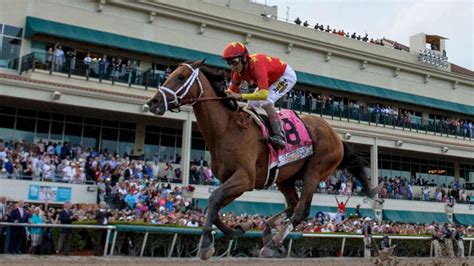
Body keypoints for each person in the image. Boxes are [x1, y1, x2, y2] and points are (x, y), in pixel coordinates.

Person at [222, 42, 297, 149]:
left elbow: (263, 94)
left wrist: (240, 96)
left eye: (234, 62)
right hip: (270, 79)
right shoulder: (237, 71)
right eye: (229, 63)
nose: (232, 66)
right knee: (251, 104)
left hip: (285, 76)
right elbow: (230, 92)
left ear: (243, 58)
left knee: (267, 101)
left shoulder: (257, 65)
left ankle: (280, 136)